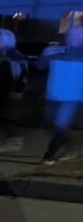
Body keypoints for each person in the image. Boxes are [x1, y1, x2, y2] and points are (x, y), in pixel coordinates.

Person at [39, 26, 83, 164]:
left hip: (72, 98)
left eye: (77, 35)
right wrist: (44, 54)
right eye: (71, 34)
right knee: (51, 124)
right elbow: (39, 66)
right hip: (53, 95)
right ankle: (69, 145)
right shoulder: (56, 51)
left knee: (60, 124)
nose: (73, 37)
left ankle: (49, 155)